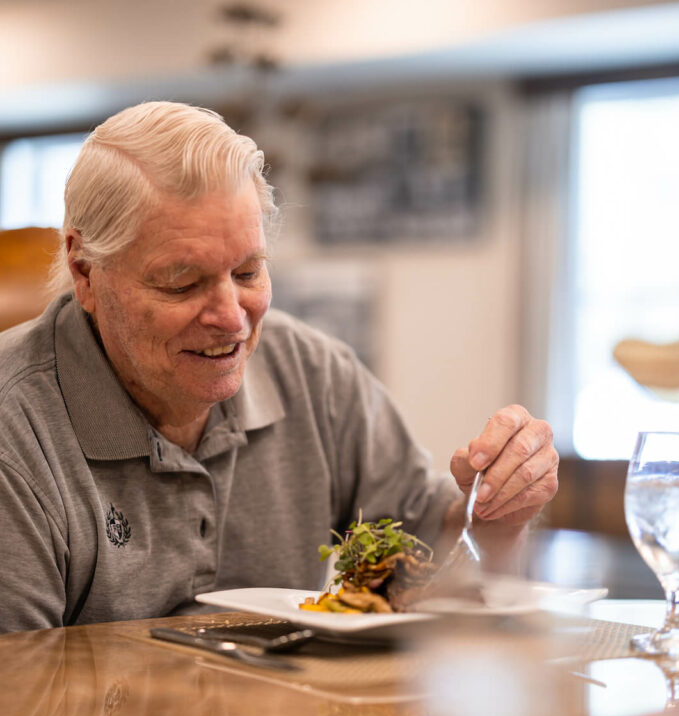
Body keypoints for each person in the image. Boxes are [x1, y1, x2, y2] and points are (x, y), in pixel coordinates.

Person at [0, 102, 558, 633]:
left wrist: (498, 508)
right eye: (182, 283)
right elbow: (18, 697)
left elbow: (438, 550)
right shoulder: (15, 429)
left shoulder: (314, 374)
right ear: (84, 270)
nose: (230, 319)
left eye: (247, 273)